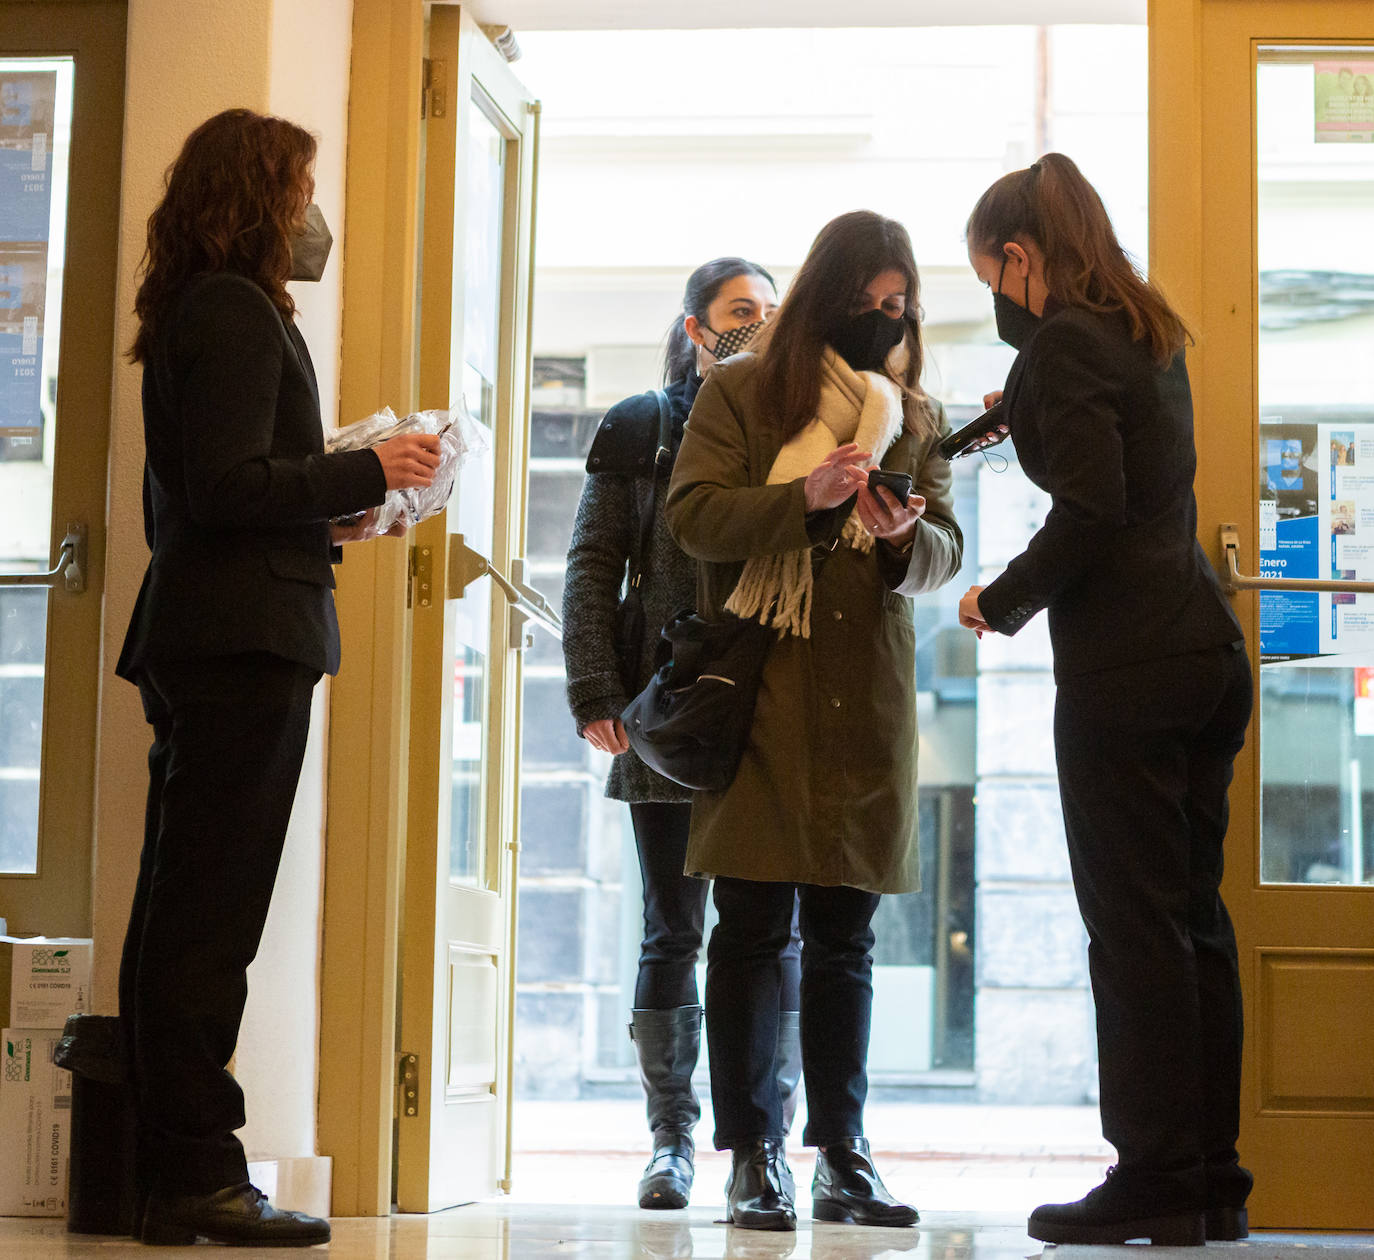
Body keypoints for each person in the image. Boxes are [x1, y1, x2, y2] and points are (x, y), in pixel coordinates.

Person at [116, 108, 441, 1247]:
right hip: (240, 642)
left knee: (189, 908)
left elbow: (235, 495)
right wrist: (372, 462)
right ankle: (198, 1174)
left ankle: (180, 1174)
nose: (314, 217)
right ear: (261, 198)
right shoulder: (236, 311)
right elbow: (227, 486)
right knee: (208, 919)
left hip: (224, 627)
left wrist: (344, 509)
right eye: (302, 191)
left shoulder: (209, 309)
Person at [957, 153, 1251, 1248]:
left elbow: (1088, 508)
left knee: (1131, 934)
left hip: (1127, 670)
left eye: (992, 272)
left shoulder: (1070, 343)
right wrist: (1025, 407)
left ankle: (1154, 1178)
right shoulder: (1145, 325)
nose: (997, 295)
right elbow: (1113, 453)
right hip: (1202, 654)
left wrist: (1002, 598)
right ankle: (1212, 1180)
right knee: (1190, 926)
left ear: (1020, 259)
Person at [666, 211, 964, 1232]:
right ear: (824, 296)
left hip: (865, 698)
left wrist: (897, 536)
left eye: (900, 305)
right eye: (868, 302)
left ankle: (845, 1152)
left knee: (846, 938)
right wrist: (801, 501)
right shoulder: (745, 391)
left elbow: (947, 550)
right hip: (761, 689)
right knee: (749, 931)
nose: (887, 320)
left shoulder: (912, 413)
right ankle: (753, 1154)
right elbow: (694, 518)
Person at [562, 258, 804, 1210]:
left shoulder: (791, 430)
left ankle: (764, 1148)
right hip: (668, 717)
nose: (759, 327)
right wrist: (595, 688)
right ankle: (670, 1140)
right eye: (741, 312)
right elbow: (593, 564)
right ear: (697, 327)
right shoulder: (644, 425)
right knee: (672, 930)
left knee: (766, 933)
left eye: (772, 314)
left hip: (768, 718)